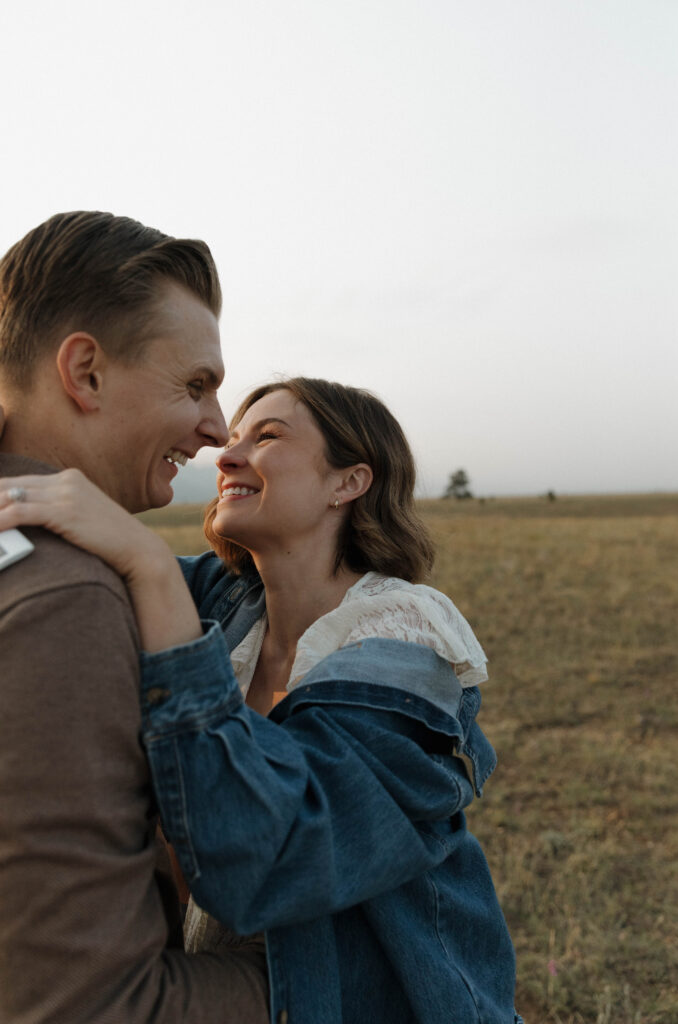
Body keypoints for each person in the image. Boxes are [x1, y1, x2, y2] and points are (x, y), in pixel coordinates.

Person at [1, 376, 522, 1024]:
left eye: (268, 436)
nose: (226, 455)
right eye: (235, 437)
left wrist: (149, 564)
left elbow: (270, 860)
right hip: (244, 977)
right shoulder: (226, 601)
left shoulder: (405, 646)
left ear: (348, 482)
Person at [0, 211, 272, 1023]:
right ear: (85, 373)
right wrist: (323, 984)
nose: (218, 429)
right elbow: (86, 1007)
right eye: (194, 385)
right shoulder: (63, 598)